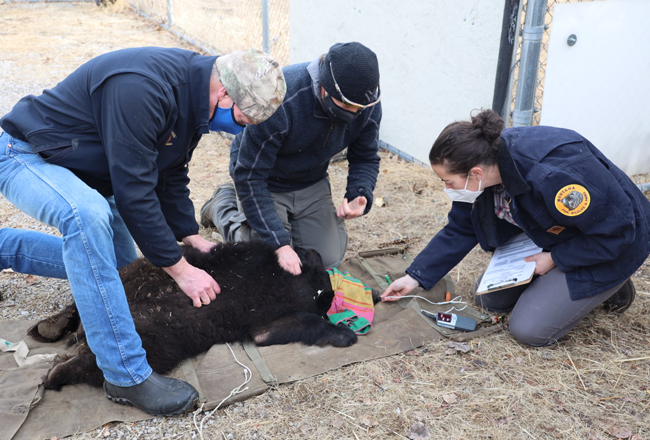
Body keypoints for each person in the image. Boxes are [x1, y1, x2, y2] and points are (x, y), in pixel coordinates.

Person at [0, 46, 286, 415]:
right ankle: (124, 373)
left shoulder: (195, 96)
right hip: (25, 153)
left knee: (121, 272)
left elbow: (170, 173)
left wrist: (190, 236)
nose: (241, 130)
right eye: (244, 120)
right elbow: (135, 193)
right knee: (85, 216)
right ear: (225, 94)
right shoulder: (143, 87)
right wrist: (181, 270)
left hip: (89, 168)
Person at [382, 109, 649, 347]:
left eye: (449, 182)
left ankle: (612, 282)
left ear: (475, 173)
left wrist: (555, 259)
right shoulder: (489, 160)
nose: (446, 188)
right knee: (488, 299)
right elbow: (461, 229)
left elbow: (617, 232)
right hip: (563, 233)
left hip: (618, 238)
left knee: (528, 329)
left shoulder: (551, 175)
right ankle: (569, 282)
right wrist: (415, 277)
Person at [200, 42, 382, 274]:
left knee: (326, 261)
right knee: (268, 262)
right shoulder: (280, 97)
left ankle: (286, 224)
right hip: (263, 180)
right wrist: (279, 244)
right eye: (346, 104)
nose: (355, 112)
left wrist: (360, 192)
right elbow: (250, 176)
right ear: (325, 87)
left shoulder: (366, 102)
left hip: (310, 179)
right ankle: (222, 205)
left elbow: (366, 156)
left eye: (360, 107)